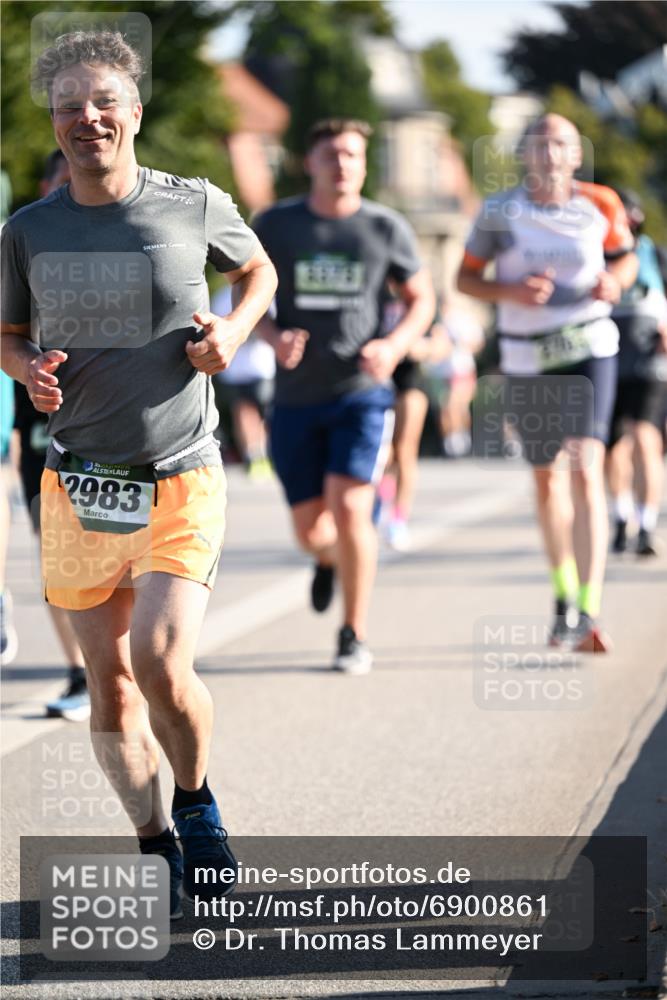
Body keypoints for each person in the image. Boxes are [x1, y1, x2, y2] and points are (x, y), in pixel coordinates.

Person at [1, 30, 277, 918]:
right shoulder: (27, 231)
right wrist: (25, 369)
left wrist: (232, 332)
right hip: (78, 479)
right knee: (110, 687)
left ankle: (196, 804)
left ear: (134, 113)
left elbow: (259, 268)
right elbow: (6, 334)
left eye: (104, 101)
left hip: (179, 470)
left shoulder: (192, 204)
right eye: (71, 104)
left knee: (160, 659)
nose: (88, 117)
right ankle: (152, 836)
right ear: (55, 119)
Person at [253, 118, 434, 673]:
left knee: (354, 506)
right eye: (331, 154)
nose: (342, 164)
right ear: (310, 163)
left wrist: (395, 344)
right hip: (295, 397)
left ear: (363, 163)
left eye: (353, 155)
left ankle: (353, 632)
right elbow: (244, 292)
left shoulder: (385, 227)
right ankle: (327, 561)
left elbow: (422, 297)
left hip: (362, 392)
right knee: (311, 531)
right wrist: (273, 334)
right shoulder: (277, 224)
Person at [457, 113, 637, 652]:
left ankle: (590, 606)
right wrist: (509, 292)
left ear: (576, 155)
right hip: (527, 356)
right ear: (525, 155)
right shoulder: (498, 213)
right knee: (547, 478)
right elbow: (465, 279)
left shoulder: (601, 203)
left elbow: (626, 261)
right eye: (540, 143)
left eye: (561, 143)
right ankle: (563, 597)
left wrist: (614, 282)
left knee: (586, 467)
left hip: (590, 348)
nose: (551, 153)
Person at [11, 149, 89, 719]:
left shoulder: (122, 242)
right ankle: (80, 672)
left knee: (115, 552)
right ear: (47, 185)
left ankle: (121, 666)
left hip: (110, 424)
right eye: (64, 178)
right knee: (57, 558)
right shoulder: (21, 242)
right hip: (40, 427)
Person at [605, 189, 667, 557]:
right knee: (614, 446)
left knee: (645, 437)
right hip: (608, 358)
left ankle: (646, 523)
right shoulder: (596, 255)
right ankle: (620, 517)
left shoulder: (653, 255)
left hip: (648, 359)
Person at [377, 291, 450, 550]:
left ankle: (398, 520)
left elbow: (442, 345)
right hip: (374, 379)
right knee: (382, 453)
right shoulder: (373, 287)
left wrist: (423, 348)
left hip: (411, 382)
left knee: (405, 450)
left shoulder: (420, 295)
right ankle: (379, 505)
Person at [210, 282, 275, 481]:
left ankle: (261, 454)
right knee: (245, 412)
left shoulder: (265, 291)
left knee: (258, 414)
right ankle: (254, 455)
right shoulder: (223, 296)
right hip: (236, 368)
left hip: (261, 365)